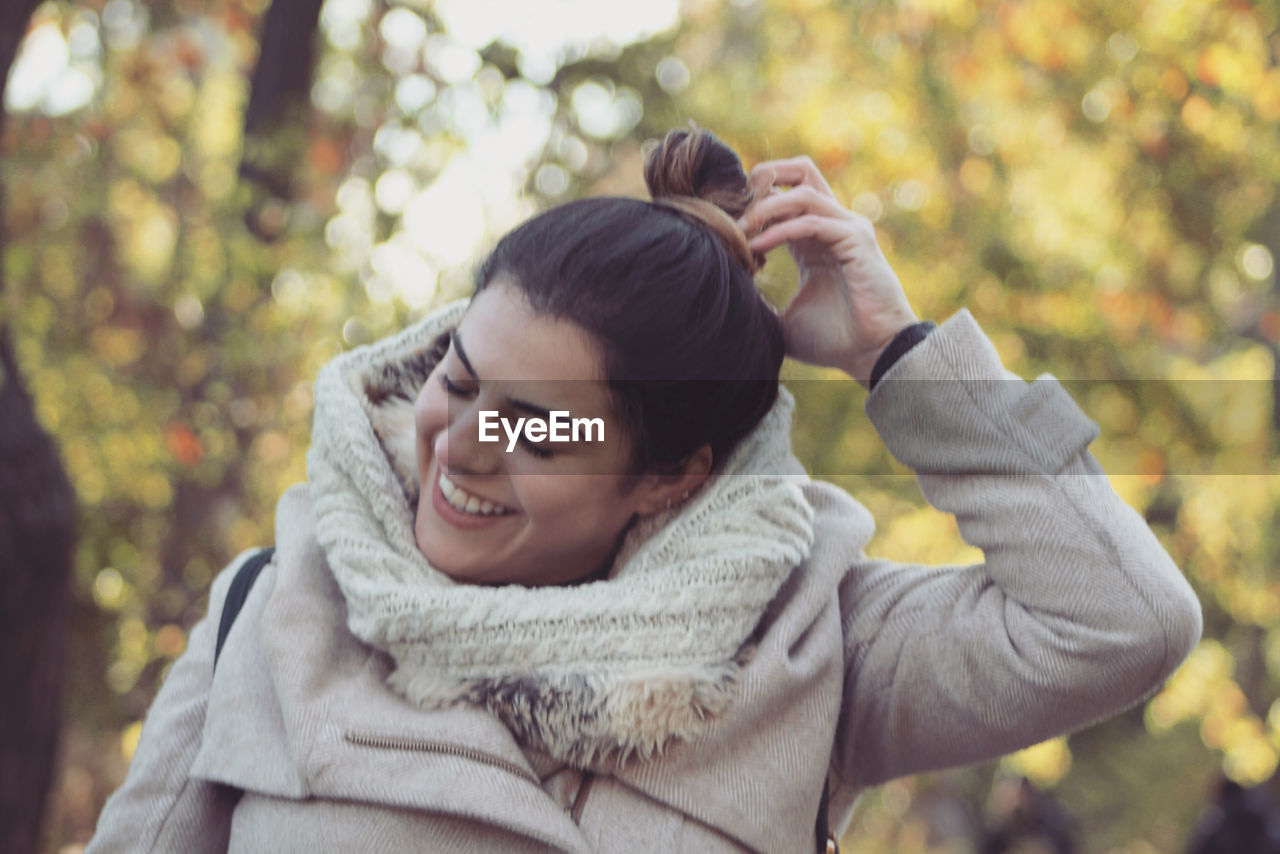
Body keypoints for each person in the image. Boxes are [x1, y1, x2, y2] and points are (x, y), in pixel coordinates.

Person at [86, 126, 1202, 853]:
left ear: (668, 476)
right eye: (459, 382)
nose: (461, 446)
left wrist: (893, 355)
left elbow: (1120, 619)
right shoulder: (275, 610)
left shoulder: (804, 649)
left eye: (536, 426)